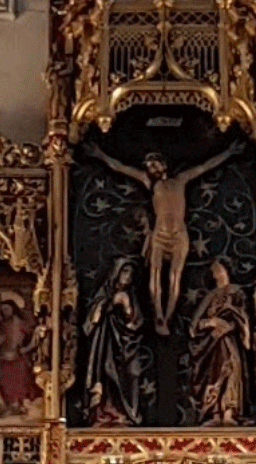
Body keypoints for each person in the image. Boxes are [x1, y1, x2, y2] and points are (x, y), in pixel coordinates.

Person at [86, 141, 241, 334]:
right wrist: (100, 154)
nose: (151, 168)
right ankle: (158, 315)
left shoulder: (180, 180)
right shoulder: (150, 183)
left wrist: (229, 152)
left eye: (154, 164)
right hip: (160, 235)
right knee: (155, 275)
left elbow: (204, 167)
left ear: (164, 165)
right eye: (148, 166)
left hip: (179, 236)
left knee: (175, 277)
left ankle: (168, 317)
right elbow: (121, 168)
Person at [83, 259, 150, 425]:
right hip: (106, 345)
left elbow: (136, 323)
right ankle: (105, 411)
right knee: (107, 373)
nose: (128, 277)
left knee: (132, 373)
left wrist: (127, 307)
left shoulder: (131, 296)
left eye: (131, 274)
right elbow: (92, 321)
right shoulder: (104, 293)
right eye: (125, 272)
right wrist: (112, 302)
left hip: (126, 346)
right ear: (116, 273)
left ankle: (126, 413)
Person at [188, 261, 252, 424]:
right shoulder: (210, 296)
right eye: (214, 271)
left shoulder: (236, 292)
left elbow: (243, 316)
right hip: (211, 344)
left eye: (219, 269)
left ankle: (229, 411)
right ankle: (214, 412)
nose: (217, 273)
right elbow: (195, 325)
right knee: (214, 373)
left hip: (230, 340)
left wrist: (230, 326)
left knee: (231, 369)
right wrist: (211, 322)